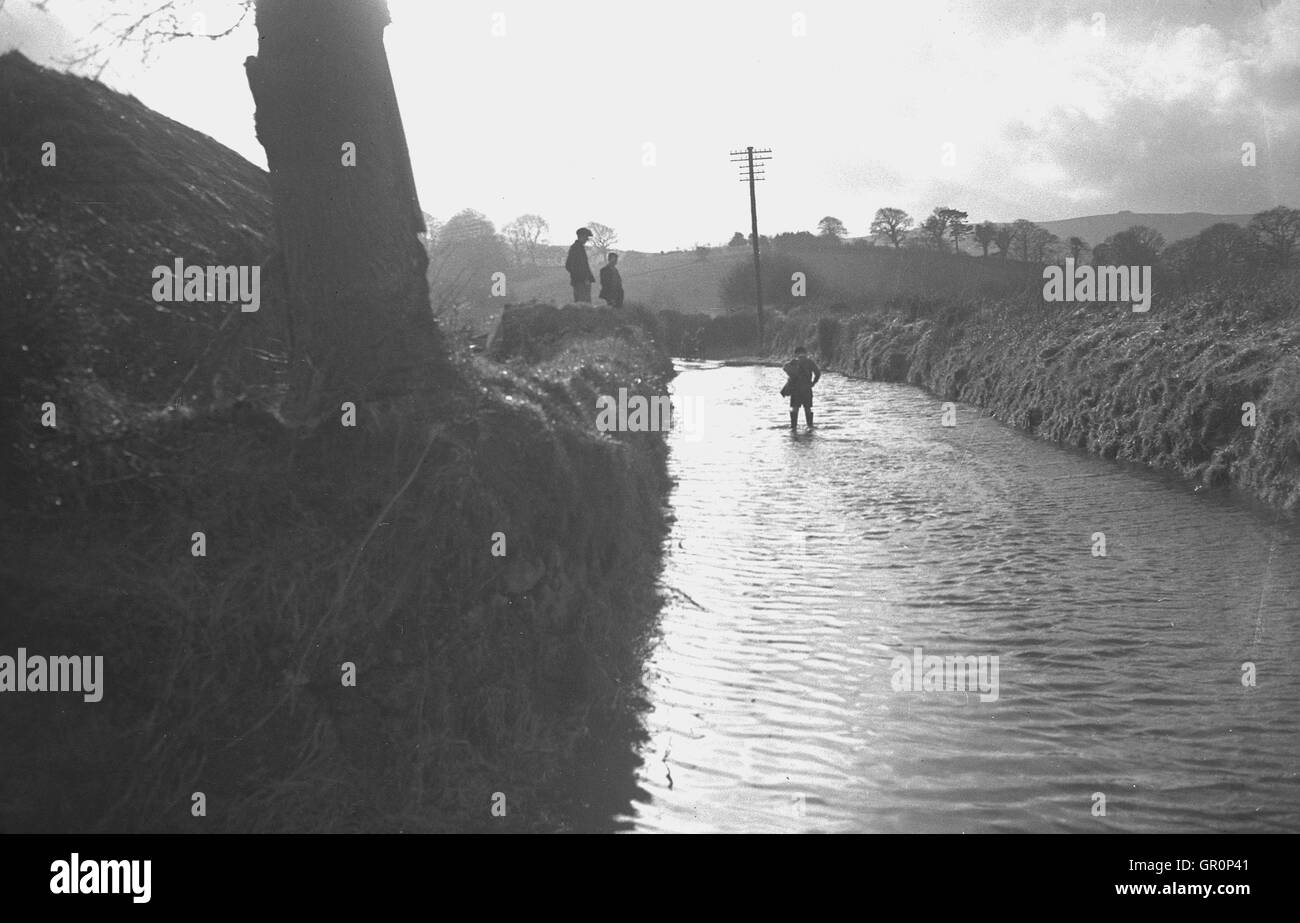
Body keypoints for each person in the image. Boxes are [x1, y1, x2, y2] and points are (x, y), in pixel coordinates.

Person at [781, 346, 821, 428]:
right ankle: (810, 426)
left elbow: (784, 367)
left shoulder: (793, 362)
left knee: (794, 408)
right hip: (807, 389)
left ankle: (793, 427)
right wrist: (813, 383)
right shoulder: (810, 362)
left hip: (795, 389)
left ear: (796, 353)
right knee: (808, 409)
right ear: (805, 353)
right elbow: (818, 373)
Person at [566, 227, 596, 303]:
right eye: (586, 237)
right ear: (581, 236)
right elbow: (569, 265)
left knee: (585, 304)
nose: (587, 239)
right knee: (582, 304)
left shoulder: (579, 248)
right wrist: (582, 278)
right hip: (580, 282)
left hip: (582, 281)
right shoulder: (575, 248)